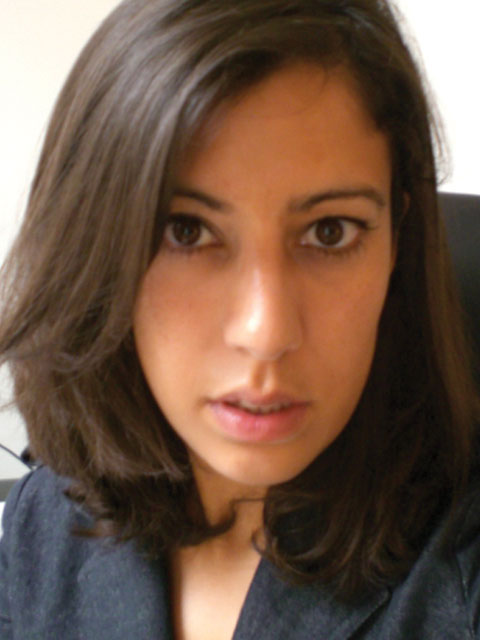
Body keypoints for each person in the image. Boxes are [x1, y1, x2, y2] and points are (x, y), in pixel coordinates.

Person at [0, 0, 479, 637]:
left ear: (398, 241)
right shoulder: (42, 527)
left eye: (330, 232)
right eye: (186, 230)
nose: (266, 333)